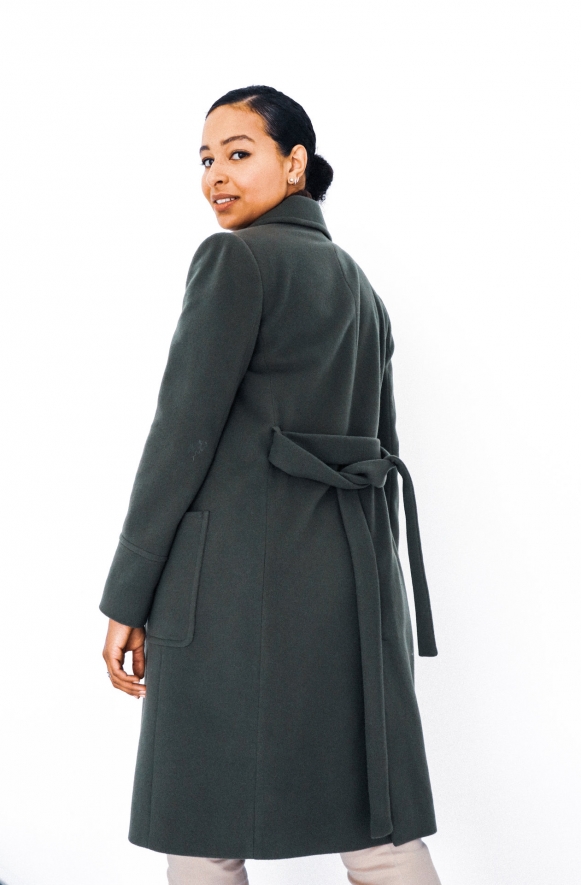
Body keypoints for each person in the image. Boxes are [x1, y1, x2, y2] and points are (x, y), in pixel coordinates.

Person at [100, 85, 442, 885]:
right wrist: (379, 599)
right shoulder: (358, 284)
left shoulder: (234, 259)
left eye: (238, 152)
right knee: (376, 825)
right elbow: (382, 446)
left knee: (203, 822)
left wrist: (127, 594)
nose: (215, 174)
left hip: (231, 590)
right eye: (205, 159)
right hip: (350, 587)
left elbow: (180, 438)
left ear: (294, 164)